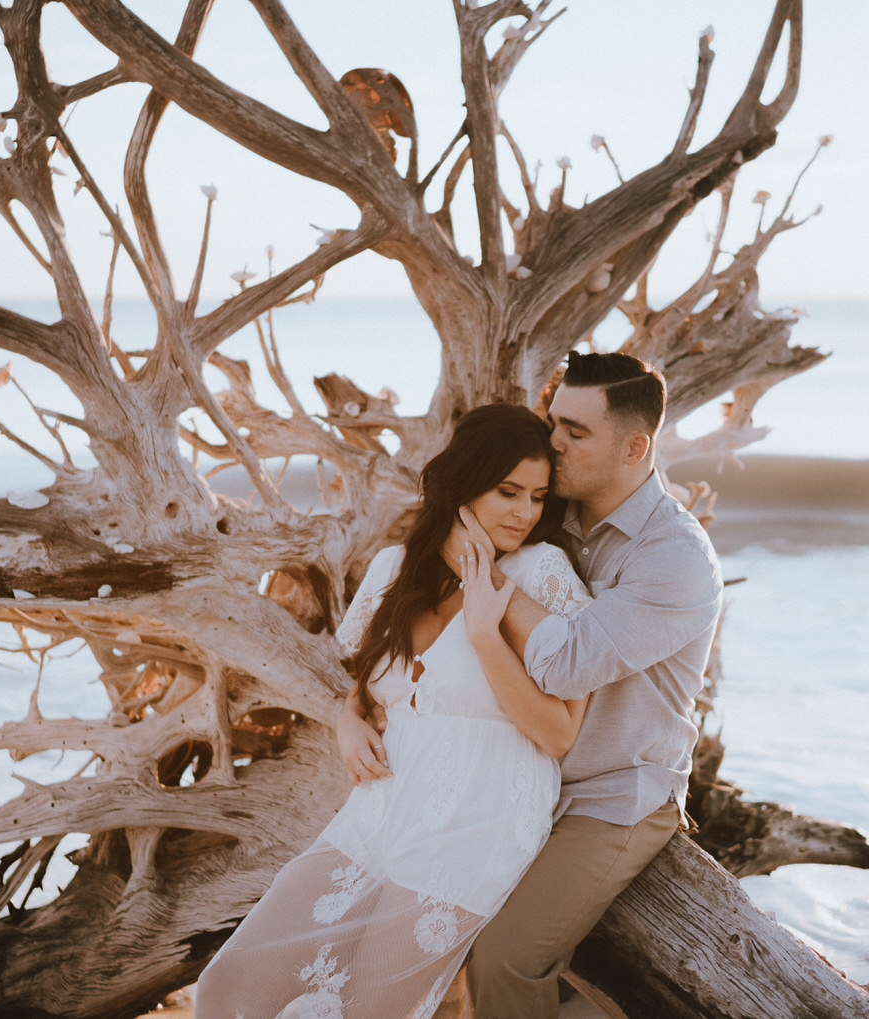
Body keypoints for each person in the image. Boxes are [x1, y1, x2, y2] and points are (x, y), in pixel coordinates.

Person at [346, 350, 724, 1017]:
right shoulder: (548, 516)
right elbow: (400, 647)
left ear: (636, 446)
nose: (553, 442)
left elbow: (567, 661)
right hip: (507, 778)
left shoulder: (676, 558)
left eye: (576, 431)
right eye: (555, 421)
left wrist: (485, 574)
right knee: (417, 936)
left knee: (506, 954)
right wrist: (345, 711)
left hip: (610, 795)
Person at [195, 403, 593, 1019]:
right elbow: (363, 686)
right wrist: (346, 721)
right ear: (463, 486)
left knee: (370, 1010)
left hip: (479, 821)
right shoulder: (393, 569)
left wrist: (488, 634)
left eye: (539, 496)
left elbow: (559, 732)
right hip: (382, 812)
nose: (524, 512)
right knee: (231, 986)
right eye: (507, 491)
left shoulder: (543, 574)